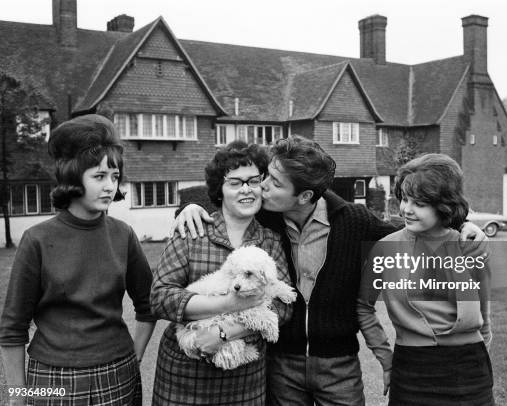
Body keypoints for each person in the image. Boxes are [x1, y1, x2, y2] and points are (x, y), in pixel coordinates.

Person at [174, 136, 486, 405]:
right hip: (283, 364)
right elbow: (228, 199)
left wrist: (463, 224)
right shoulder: (266, 218)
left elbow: (409, 225)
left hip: (339, 367)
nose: (262, 186)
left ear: (305, 196)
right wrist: (188, 206)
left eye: (274, 182)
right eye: (266, 175)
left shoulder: (354, 220)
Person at [0, 114, 157, 406]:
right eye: (99, 176)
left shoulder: (123, 235)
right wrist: (18, 396)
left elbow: (148, 306)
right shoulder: (37, 240)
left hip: (117, 374)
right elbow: (12, 328)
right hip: (51, 380)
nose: (110, 186)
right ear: (73, 176)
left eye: (115, 176)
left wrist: (134, 358)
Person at [150, 141, 292, 406]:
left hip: (244, 382)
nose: (246, 189)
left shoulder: (270, 240)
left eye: (253, 180)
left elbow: (282, 307)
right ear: (220, 190)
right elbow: (160, 297)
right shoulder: (192, 232)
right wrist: (228, 304)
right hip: (184, 379)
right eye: (235, 183)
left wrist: (224, 333)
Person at [358, 153, 493, 406]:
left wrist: (481, 352)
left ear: (444, 204)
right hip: (411, 371)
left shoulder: (470, 245)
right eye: (404, 199)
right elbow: (363, 307)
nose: (406, 209)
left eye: (419, 203)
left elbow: (484, 312)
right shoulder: (385, 248)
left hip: (470, 370)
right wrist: (386, 360)